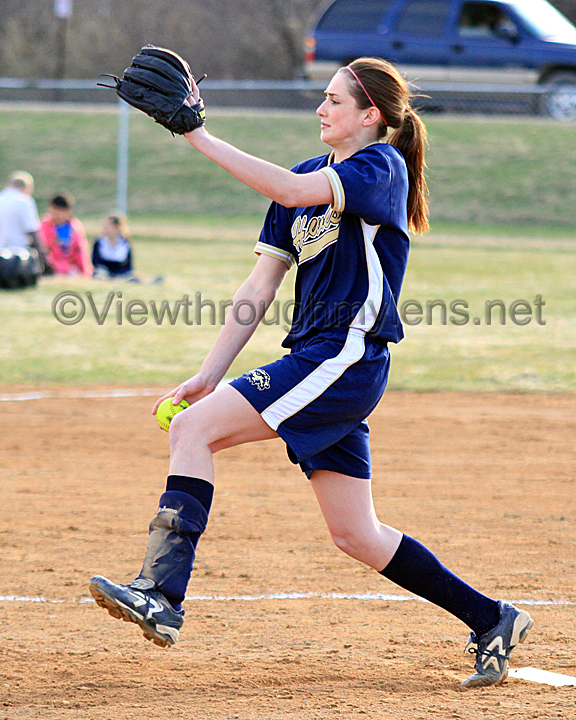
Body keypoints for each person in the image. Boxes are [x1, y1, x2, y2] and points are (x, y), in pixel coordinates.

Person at [89, 57, 532, 688]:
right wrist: (209, 374)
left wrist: (197, 134)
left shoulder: (381, 167)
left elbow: (294, 195)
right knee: (357, 533)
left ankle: (161, 593)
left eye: (333, 100)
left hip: (345, 355)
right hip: (319, 358)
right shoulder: (301, 178)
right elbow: (260, 284)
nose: (320, 109)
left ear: (370, 115)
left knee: (192, 433)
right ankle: (493, 618)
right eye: (321, 99)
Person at [0, 170, 49, 276]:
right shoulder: (25, 201)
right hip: (19, 258)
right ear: (27, 188)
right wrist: (44, 261)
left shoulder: (1, 198)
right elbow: (33, 232)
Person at [39, 195, 92, 277]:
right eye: (53, 212)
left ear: (68, 212)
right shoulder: (45, 227)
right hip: (52, 270)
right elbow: (45, 251)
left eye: (59, 213)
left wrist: (83, 272)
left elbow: (80, 252)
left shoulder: (75, 228)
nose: (56, 216)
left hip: (74, 270)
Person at [91, 214, 134, 279]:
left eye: (108, 226)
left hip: (122, 274)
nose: (105, 228)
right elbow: (96, 262)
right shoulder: (99, 242)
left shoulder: (125, 243)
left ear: (117, 227)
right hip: (103, 273)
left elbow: (128, 266)